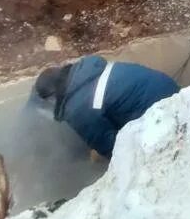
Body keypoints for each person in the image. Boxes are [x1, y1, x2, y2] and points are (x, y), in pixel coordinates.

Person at [35, 55, 180, 158]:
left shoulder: (77, 109)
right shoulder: (87, 71)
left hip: (162, 115)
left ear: (52, 96)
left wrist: (98, 156)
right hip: (172, 91)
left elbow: (114, 149)